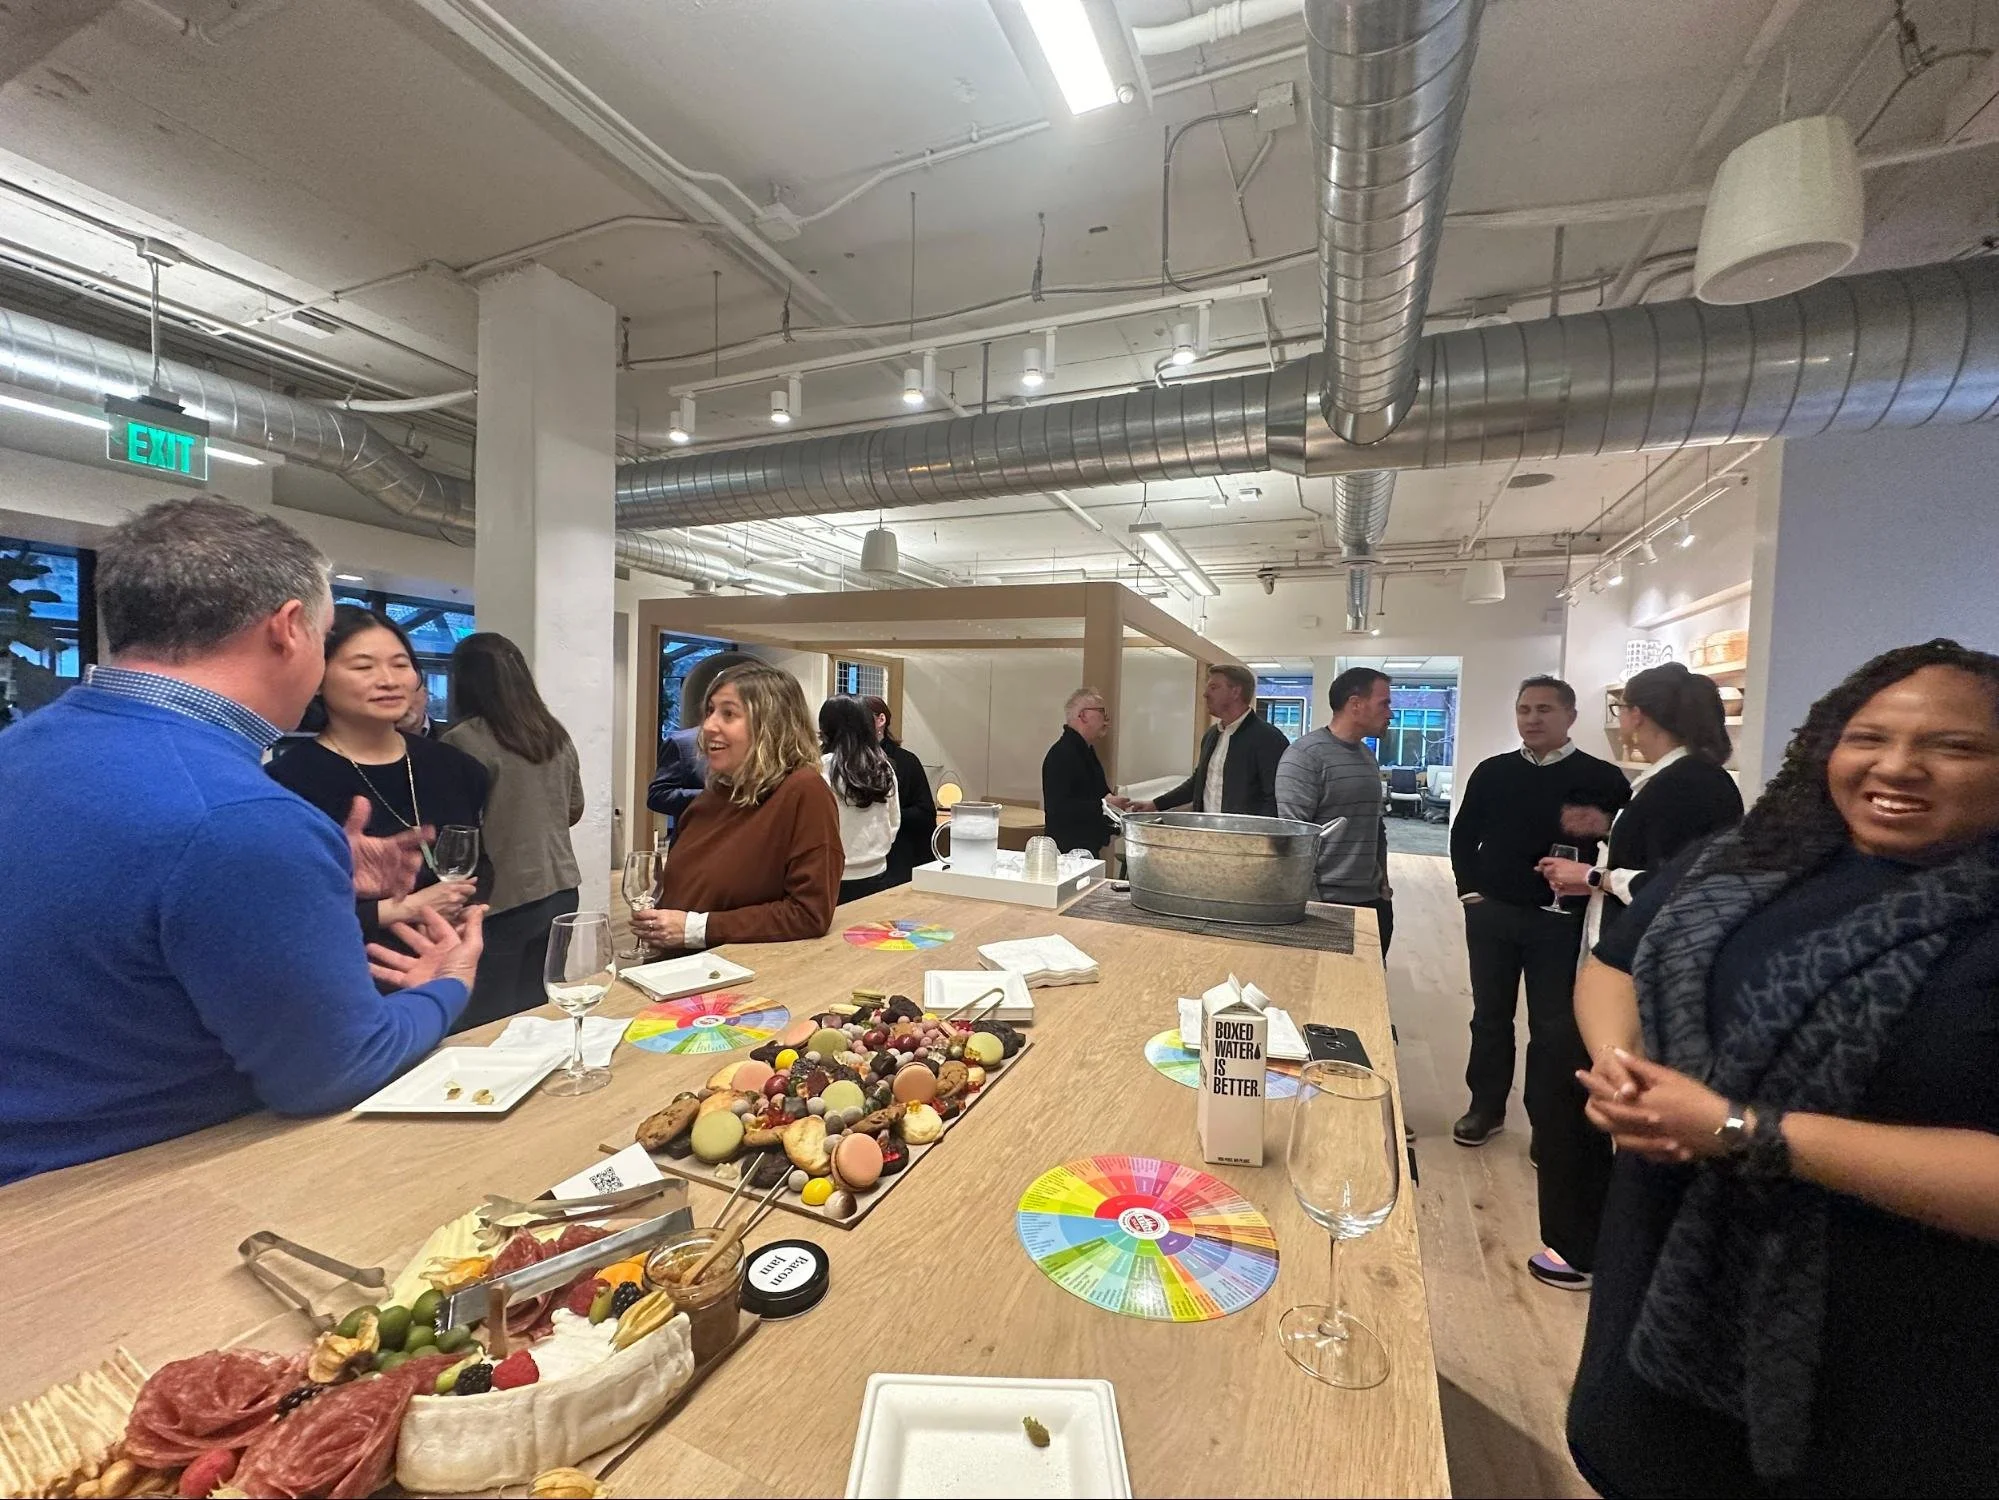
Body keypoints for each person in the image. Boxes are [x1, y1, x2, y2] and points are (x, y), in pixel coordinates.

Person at [1567, 640, 1999, 1497]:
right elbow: (1616, 960)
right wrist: (1627, 1075)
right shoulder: (1755, 855)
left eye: (1954, 747)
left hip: (1885, 1362)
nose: (1899, 767)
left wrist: (1741, 1132)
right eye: (1868, 736)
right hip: (1658, 1276)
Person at [0, 499, 481, 1185]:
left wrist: (311, 877)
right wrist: (443, 986)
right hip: (122, 1198)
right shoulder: (239, 817)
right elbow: (330, 1070)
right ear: (288, 629)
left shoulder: (23, 748)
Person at [1522, 661, 1746, 1291]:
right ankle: (1601, 1235)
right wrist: (1605, 840)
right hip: (1637, 961)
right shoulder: (1689, 779)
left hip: (1646, 967)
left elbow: (1682, 887)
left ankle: (1581, 1244)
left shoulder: (1688, 785)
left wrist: (1593, 876)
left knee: (1570, 1080)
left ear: (1637, 715)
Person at [1449, 674, 1630, 1278]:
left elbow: (1619, 846)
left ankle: (1544, 1125)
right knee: (1489, 1012)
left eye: (1544, 709)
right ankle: (1486, 1106)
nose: (1532, 718)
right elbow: (1463, 832)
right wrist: (1468, 891)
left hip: (1561, 920)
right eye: (1523, 708)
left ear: (1570, 715)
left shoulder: (1603, 778)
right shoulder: (1493, 770)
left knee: (1553, 1028)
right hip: (1493, 912)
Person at [268, 606, 492, 948]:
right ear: (316, 677)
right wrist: (399, 910)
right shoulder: (288, 784)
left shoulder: (454, 766)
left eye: (401, 664)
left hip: (449, 962)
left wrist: (463, 910)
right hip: (348, 974)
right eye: (363, 666)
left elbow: (480, 865)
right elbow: (282, 913)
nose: (388, 680)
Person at [630, 660, 843, 952]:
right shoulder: (718, 791)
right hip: (680, 974)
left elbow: (809, 914)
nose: (708, 725)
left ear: (770, 726)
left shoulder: (803, 792)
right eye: (709, 711)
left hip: (734, 981)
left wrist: (694, 929)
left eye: (728, 714)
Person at [441, 633, 585, 1031]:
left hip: (498, 901)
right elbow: (574, 809)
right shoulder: (554, 735)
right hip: (560, 889)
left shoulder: (461, 741)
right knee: (538, 1009)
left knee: (486, 1021)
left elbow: (454, 832)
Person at [1275, 667, 1395, 955]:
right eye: (1384, 703)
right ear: (1355, 704)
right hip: (1328, 905)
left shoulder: (1367, 756)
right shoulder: (1304, 757)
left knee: (1369, 992)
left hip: (1372, 900)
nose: (1390, 713)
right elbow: (1292, 842)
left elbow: (1375, 825)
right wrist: (1315, 908)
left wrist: (1384, 882)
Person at [1118, 663, 1288, 817]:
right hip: (1207, 835)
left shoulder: (1268, 739)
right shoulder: (1212, 735)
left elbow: (1275, 798)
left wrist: (1259, 839)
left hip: (1245, 841)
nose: (1205, 694)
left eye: (1214, 687)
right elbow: (1198, 782)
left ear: (1236, 691)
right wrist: (1156, 804)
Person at [647, 650, 754, 838]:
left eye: (729, 711)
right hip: (694, 840)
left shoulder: (764, 751)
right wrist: (715, 795)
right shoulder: (682, 743)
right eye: (713, 708)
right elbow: (658, 796)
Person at [820, 694, 901, 904]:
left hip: (832, 875)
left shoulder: (822, 768)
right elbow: (894, 821)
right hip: (878, 871)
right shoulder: (884, 767)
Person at [863, 693, 935, 885]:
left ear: (881, 720)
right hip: (861, 859)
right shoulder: (845, 762)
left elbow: (926, 815)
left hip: (897, 859)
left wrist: (886, 813)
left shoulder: (906, 761)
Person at [1041, 687, 1116, 858]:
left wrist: (1112, 803)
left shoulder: (1086, 751)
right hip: (1068, 854)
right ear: (1083, 715)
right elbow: (1059, 809)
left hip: (1085, 848)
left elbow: (1099, 793)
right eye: (1101, 712)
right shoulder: (1061, 754)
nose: (1106, 720)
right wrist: (1104, 806)